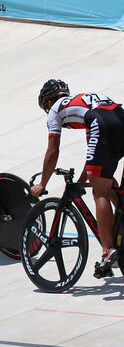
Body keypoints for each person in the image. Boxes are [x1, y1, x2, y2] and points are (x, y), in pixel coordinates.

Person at [30, 79, 124, 278]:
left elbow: (52, 150)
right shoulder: (84, 101)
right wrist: (82, 180)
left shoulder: (55, 110)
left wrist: (42, 184)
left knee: (100, 193)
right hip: (119, 115)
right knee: (106, 179)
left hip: (103, 123)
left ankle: (108, 251)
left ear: (47, 102)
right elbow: (95, 152)